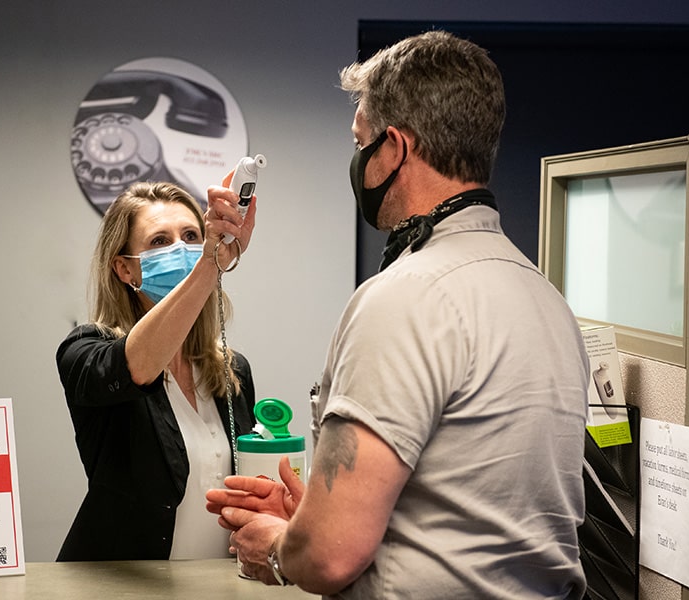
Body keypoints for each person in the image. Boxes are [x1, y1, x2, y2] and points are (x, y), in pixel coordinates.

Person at [206, 30, 589, 599]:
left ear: (394, 148)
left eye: (361, 141)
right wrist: (314, 515)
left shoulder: (405, 296)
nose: (357, 161)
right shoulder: (545, 299)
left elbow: (331, 558)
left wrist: (282, 549)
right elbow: (470, 509)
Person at [57, 179, 258, 561]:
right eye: (160, 242)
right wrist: (209, 265)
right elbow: (138, 366)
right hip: (122, 588)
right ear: (124, 269)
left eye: (191, 236)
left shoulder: (232, 372)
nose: (182, 250)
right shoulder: (84, 352)